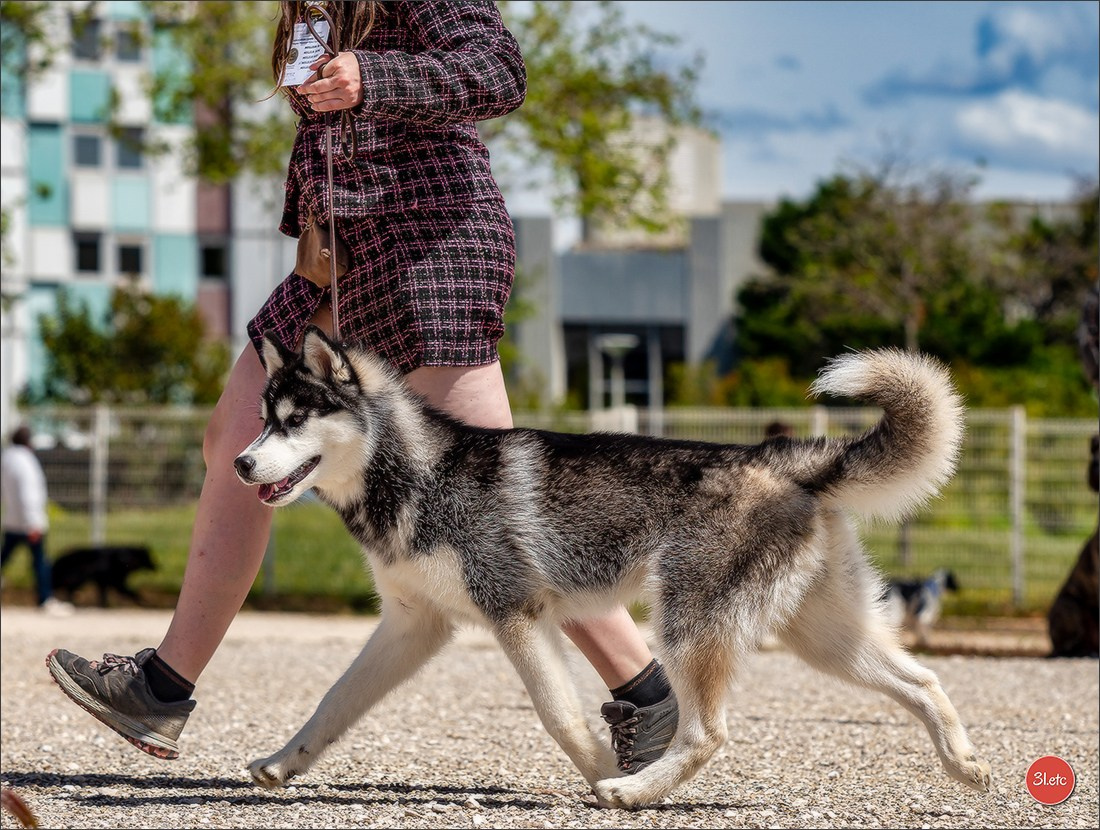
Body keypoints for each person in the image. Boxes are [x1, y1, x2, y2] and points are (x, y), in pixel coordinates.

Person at [48, 1, 676, 774]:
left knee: (491, 508)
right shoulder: (315, 6)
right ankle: (162, 687)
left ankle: (647, 695)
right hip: (341, 265)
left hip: (432, 251)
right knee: (236, 440)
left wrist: (372, 74)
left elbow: (499, 73)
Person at [1, 426, 73, 616]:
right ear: (29, 441)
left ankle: (44, 598)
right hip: (28, 522)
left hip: (12, 519)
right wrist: (33, 522)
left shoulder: (6, 458)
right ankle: (45, 599)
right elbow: (29, 493)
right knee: (40, 562)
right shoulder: (25, 461)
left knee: (3, 558)